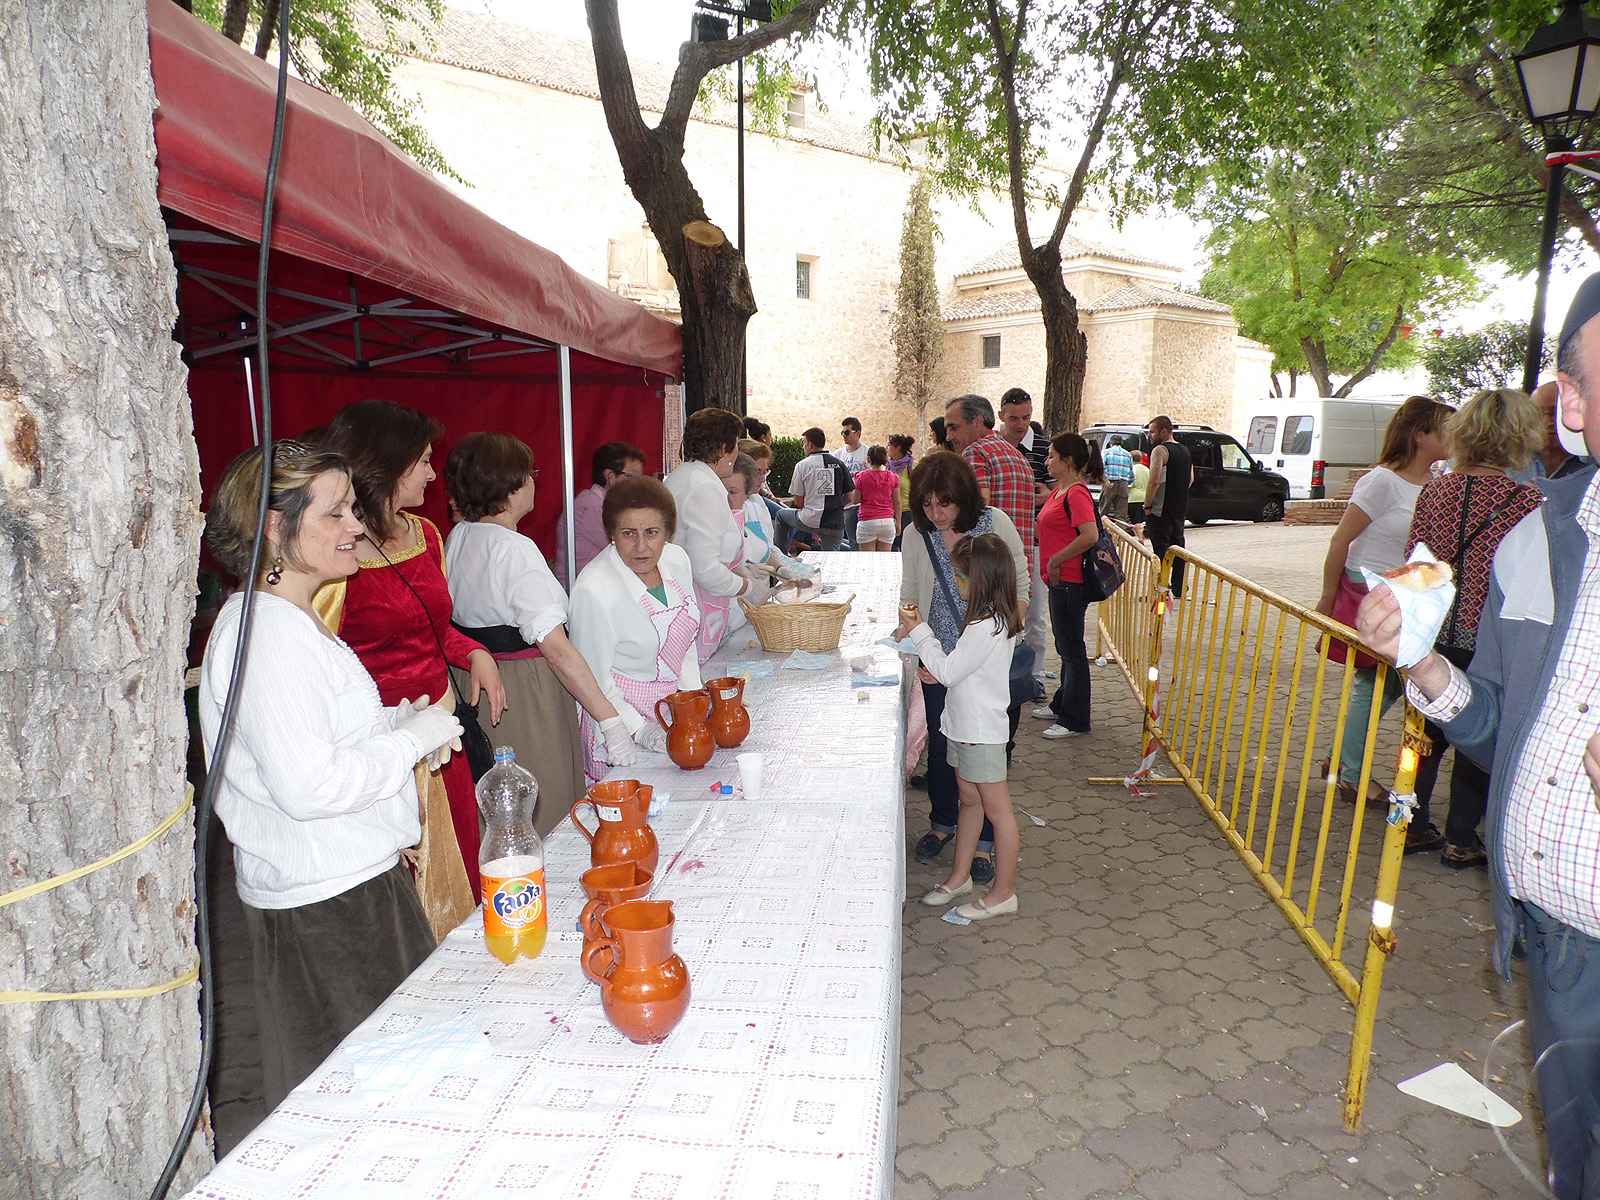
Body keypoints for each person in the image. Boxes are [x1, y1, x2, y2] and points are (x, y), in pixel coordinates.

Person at [1356, 273, 1600, 1200]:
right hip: (1558, 949)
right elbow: (1506, 727)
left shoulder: (1453, 495)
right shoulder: (1533, 535)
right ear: (1570, 403)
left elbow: (1420, 551)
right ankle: (1458, 835)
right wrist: (1422, 666)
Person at [199, 441, 462, 1109]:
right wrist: (415, 739)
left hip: (349, 890)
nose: (356, 525)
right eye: (336, 512)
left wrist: (396, 725)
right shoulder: (270, 634)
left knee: (405, 1091)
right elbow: (310, 786)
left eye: (353, 508)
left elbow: (319, 741)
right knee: (380, 1105)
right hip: (332, 907)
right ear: (275, 527)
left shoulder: (289, 621)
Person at [319, 400, 506, 904]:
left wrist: (475, 652)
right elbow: (322, 666)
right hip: (380, 748)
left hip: (442, 734)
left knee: (460, 875)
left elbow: (435, 631)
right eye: (423, 460)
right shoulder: (333, 557)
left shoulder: (426, 535)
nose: (432, 473)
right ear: (389, 465)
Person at [442, 433, 641, 834]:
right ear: (512, 486)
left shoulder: (460, 535)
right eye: (529, 474)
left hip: (477, 683)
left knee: (501, 812)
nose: (534, 482)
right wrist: (610, 720)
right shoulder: (513, 549)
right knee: (543, 806)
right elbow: (557, 650)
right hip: (525, 694)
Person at [1402, 390, 1543, 863]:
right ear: (1520, 436)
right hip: (1489, 638)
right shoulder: (1528, 501)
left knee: (1424, 737)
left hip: (1433, 634)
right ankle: (1462, 839)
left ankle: (1411, 825)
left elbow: (1415, 562)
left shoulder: (1435, 491)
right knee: (1477, 732)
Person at [1314, 395, 1452, 804]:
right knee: (1375, 685)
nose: (1454, 437)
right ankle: (1350, 773)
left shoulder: (1436, 482)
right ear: (1420, 434)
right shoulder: (1382, 481)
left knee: (1383, 687)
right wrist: (1327, 598)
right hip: (1371, 590)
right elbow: (1340, 540)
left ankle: (1342, 761)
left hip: (1407, 593)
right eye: (1445, 429)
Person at [901, 452, 1030, 886]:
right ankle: (944, 823)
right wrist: (910, 632)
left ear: (964, 497)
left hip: (986, 665)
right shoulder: (916, 534)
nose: (936, 514)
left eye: (945, 504)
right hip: (940, 662)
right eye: (927, 505)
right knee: (945, 750)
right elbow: (909, 592)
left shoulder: (994, 524)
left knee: (990, 760)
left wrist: (1001, 634)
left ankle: (986, 846)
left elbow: (1021, 586)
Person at [568, 477, 702, 784]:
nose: (641, 547)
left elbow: (684, 640)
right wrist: (637, 729)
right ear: (611, 534)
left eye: (652, 532)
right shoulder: (594, 588)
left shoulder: (677, 560)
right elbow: (592, 675)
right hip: (618, 717)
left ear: (668, 533)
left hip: (669, 708)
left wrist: (694, 697)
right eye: (628, 533)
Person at [664, 407, 770, 663]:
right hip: (698, 603)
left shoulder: (682, 476)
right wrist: (746, 586)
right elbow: (705, 569)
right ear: (724, 449)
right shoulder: (705, 487)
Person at [1032, 434, 1105, 739]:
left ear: (1068, 461)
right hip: (1058, 580)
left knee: (1072, 649)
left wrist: (1057, 560)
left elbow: (1089, 535)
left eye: (1052, 456)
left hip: (1070, 580)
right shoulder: (1059, 490)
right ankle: (1063, 702)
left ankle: (1075, 719)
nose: (1047, 461)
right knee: (1065, 646)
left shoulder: (1076, 493)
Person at [997, 388, 1053, 697]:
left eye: (1027, 418)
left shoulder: (1044, 448)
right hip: (999, 545)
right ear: (1001, 416)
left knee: (1035, 614)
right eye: (1014, 418)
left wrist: (1043, 500)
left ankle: (1035, 678)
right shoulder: (992, 447)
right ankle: (1002, 675)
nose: (1021, 425)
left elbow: (1060, 493)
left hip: (1034, 543)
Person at [555, 441, 645, 587]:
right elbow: (627, 550)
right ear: (610, 476)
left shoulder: (607, 503)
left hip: (598, 584)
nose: (638, 485)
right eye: (631, 477)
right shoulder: (593, 505)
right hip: (580, 589)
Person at [775, 427, 854, 552]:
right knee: (830, 557)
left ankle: (782, 556)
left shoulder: (802, 465)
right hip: (835, 522)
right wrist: (835, 506)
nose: (803, 447)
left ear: (810, 444)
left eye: (804, 443)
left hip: (809, 519)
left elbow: (798, 501)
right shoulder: (839, 464)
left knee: (781, 515)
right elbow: (850, 497)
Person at [1144, 415, 1193, 600]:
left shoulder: (1160, 450)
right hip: (1179, 509)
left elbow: (1153, 480)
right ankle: (1179, 588)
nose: (1150, 436)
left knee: (1160, 551)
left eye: (1152, 432)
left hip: (1160, 510)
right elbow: (1191, 478)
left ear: (1163, 431)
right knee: (1178, 549)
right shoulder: (1185, 451)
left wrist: (1147, 505)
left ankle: (1161, 589)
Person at [1510, 379, 1592, 483]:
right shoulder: (1512, 463)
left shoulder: (1593, 464)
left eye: (1555, 413)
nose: (1548, 422)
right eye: (1539, 414)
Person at [853, 445, 901, 551]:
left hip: (867, 520)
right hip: (887, 521)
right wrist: (898, 522)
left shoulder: (861, 476)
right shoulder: (893, 477)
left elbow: (855, 500)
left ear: (868, 459)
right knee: (884, 558)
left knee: (868, 558)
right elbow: (897, 502)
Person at [836, 416, 869, 548]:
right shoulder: (838, 455)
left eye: (847, 432)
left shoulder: (867, 452)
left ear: (858, 433)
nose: (844, 435)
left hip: (865, 504)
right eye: (842, 432)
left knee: (866, 541)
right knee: (853, 542)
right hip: (848, 505)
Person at [1100, 436, 1135, 521]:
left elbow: (1102, 467)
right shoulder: (1128, 454)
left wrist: (1106, 481)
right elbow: (1131, 472)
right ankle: (1120, 529)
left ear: (1111, 443)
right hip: (1123, 484)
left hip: (1110, 483)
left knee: (1103, 512)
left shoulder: (1106, 452)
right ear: (1121, 443)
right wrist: (1127, 483)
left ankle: (1102, 528)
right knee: (1121, 515)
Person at [888, 434, 917, 534]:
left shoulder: (912, 465)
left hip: (907, 512)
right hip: (890, 512)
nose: (887, 448)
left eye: (889, 445)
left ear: (898, 448)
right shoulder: (888, 466)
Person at [1129, 451, 1151, 523]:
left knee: (1135, 522)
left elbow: (1129, 484)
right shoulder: (1147, 470)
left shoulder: (1132, 469)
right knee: (1143, 522)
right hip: (1146, 498)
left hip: (1133, 499)